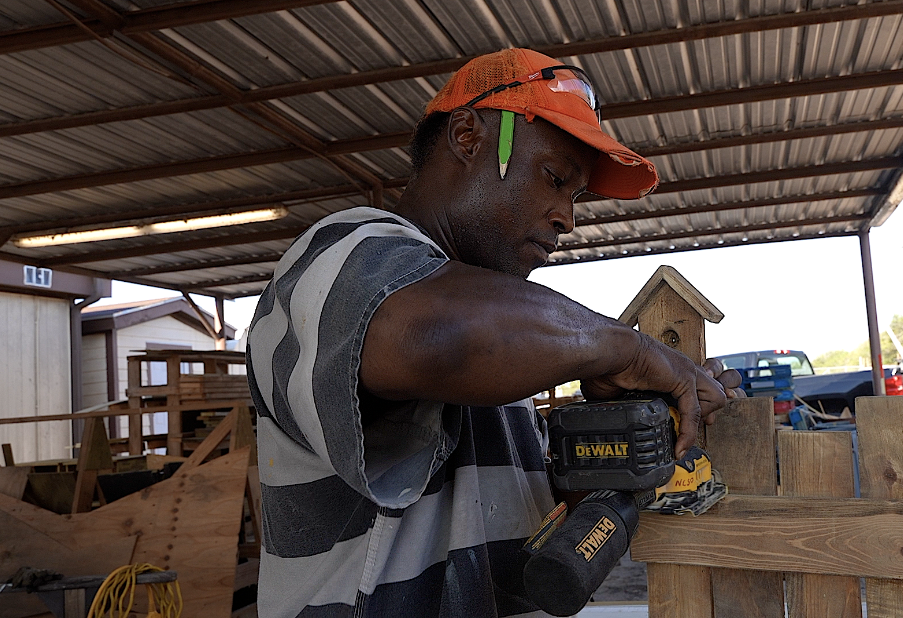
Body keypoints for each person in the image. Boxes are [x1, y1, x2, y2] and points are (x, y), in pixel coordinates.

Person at [246, 48, 743, 618]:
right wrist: (626, 350)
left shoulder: (499, 337)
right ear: (467, 136)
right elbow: (435, 336)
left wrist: (636, 428)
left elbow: (522, 523)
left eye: (574, 196)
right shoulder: (339, 253)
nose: (567, 217)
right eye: (555, 179)